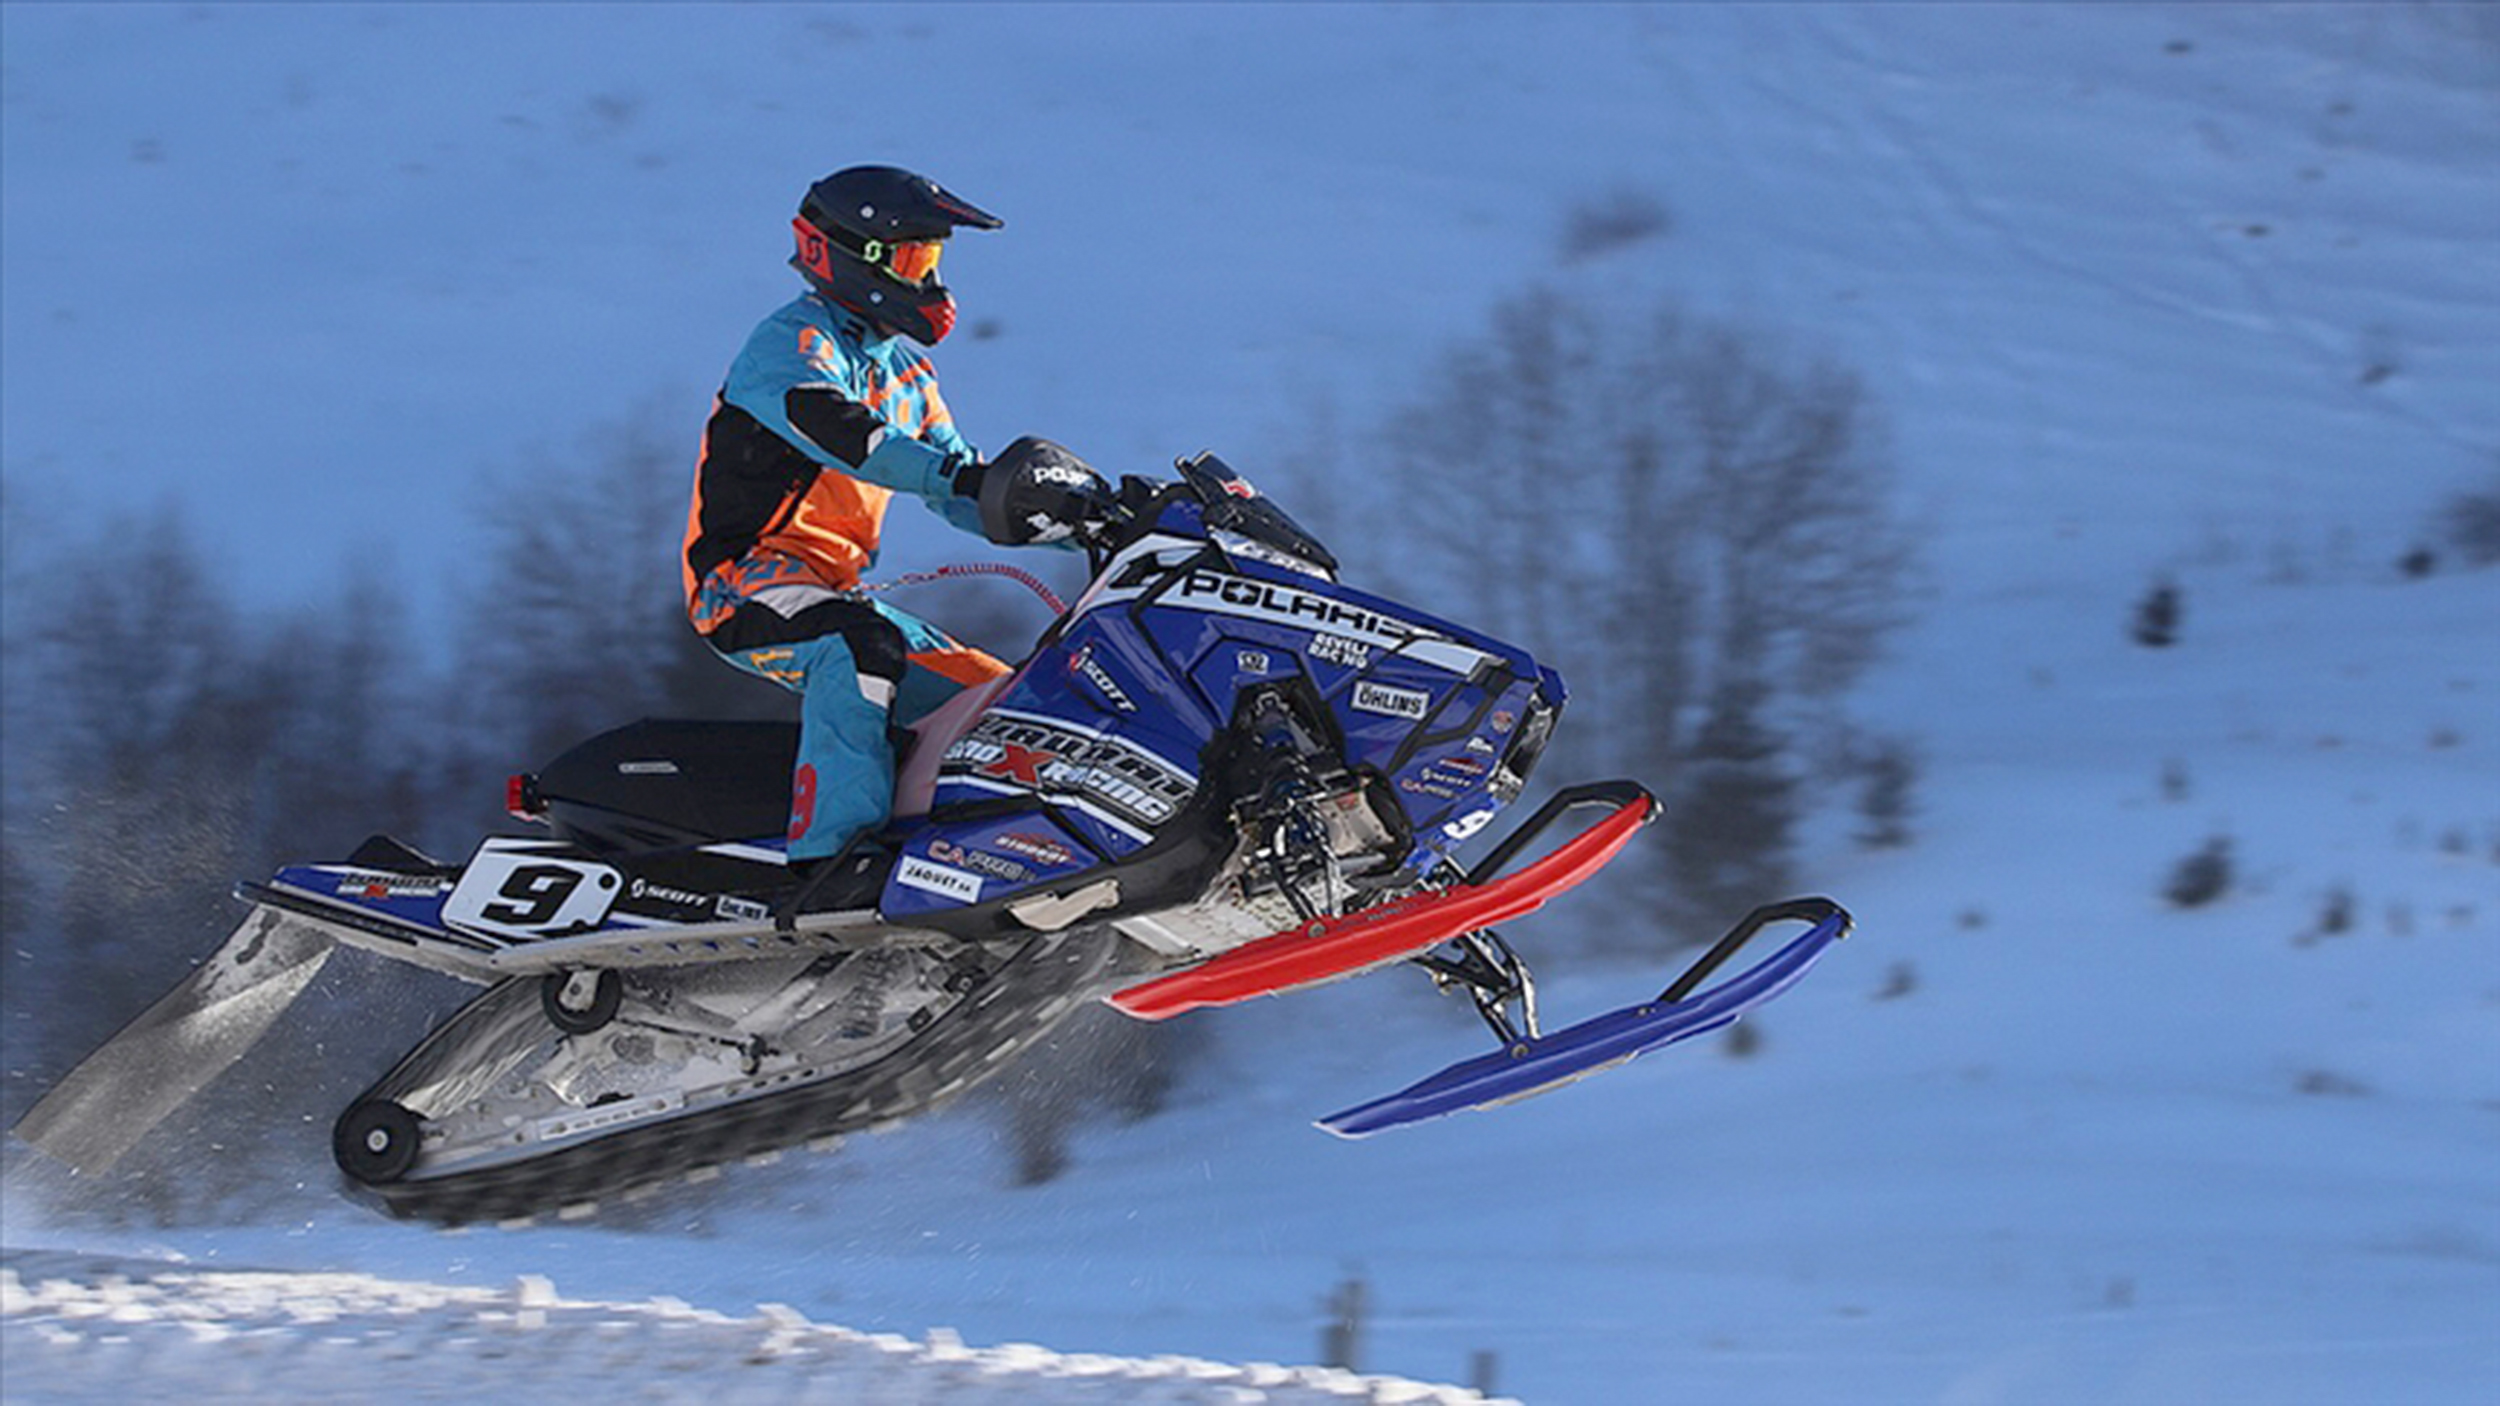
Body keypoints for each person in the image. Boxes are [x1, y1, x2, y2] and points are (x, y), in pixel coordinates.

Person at [682, 165, 1110, 876]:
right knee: (859, 647)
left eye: (933, 260)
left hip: (835, 591)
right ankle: (831, 867)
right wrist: (960, 476)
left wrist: (1087, 518)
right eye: (915, 259)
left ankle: (997, 863)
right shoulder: (792, 343)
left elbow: (961, 485)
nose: (931, 281)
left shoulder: (908, 375)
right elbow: (844, 433)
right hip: (742, 583)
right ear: (856, 258)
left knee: (1003, 698)